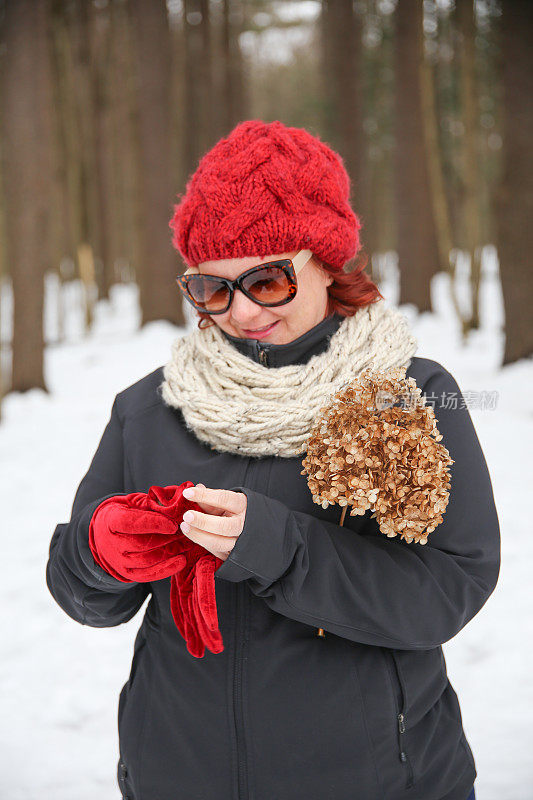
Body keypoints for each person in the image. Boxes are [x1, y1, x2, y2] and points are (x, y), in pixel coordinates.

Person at [46, 119, 499, 800]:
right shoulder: (149, 408)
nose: (241, 311)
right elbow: (81, 591)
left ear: (324, 260)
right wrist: (96, 553)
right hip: (176, 774)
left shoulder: (409, 394)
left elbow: (445, 590)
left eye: (267, 280)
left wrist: (280, 549)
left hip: (375, 779)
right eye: (212, 288)